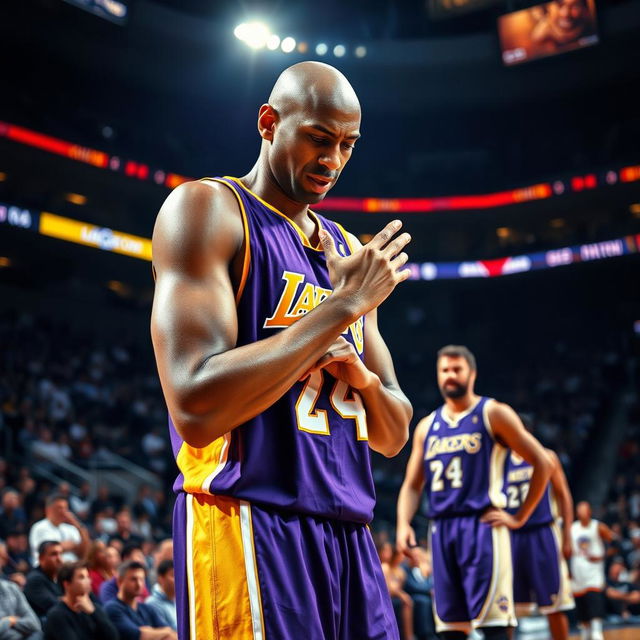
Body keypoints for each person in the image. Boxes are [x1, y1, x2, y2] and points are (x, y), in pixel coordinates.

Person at [151, 61, 413, 640]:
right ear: (269, 122)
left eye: (347, 145)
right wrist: (339, 310)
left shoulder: (347, 251)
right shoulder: (207, 210)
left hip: (350, 535)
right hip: (246, 518)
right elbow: (195, 407)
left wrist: (363, 378)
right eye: (319, 138)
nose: (333, 160)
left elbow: (394, 435)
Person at [396, 345, 554, 640]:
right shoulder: (426, 426)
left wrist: (520, 517)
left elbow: (542, 463)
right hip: (441, 528)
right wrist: (403, 523)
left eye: (457, 369)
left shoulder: (493, 413)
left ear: (472, 373)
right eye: (444, 370)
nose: (450, 376)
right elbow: (412, 485)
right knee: (451, 627)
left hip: (482, 526)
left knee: (493, 623)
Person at [505, 438, 575, 639]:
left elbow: (563, 495)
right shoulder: (498, 460)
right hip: (511, 535)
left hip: (543, 533)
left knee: (554, 604)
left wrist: (567, 536)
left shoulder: (547, 456)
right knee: (507, 607)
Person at [571, 501, 615, 640]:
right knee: (581, 603)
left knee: (594, 599)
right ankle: (585, 632)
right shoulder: (573, 528)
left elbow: (615, 543)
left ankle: (597, 631)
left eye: (583, 510)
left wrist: (603, 555)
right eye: (578, 510)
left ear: (589, 512)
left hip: (593, 571)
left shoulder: (598, 527)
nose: (580, 512)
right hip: (577, 569)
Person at [44, 562, 118, 640]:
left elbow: (113, 637)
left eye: (88, 577)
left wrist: (93, 612)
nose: (88, 581)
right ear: (67, 584)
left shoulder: (93, 608)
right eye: (81, 577)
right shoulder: (57, 615)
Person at [104, 561, 177, 640]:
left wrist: (150, 631)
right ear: (120, 581)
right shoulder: (112, 608)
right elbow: (138, 635)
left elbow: (171, 633)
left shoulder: (147, 608)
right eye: (133, 579)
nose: (139, 584)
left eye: (142, 579)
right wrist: (162, 632)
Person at [29, 494, 89, 565]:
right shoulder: (39, 527)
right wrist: (73, 545)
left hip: (71, 569)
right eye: (59, 508)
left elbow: (84, 552)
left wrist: (77, 524)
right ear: (48, 510)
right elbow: (49, 551)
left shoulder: (71, 528)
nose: (63, 512)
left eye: (65, 508)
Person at [0, 541, 42, 640]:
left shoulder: (12, 587)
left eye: (3, 556)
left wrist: (11, 622)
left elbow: (34, 624)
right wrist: (9, 621)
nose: (4, 559)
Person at [23, 542, 63, 620]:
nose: (59, 559)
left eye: (61, 554)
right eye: (54, 554)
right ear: (41, 558)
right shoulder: (34, 580)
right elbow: (55, 606)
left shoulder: (60, 576)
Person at [145, 559, 177, 631]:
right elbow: (168, 633)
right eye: (173, 575)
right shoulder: (152, 603)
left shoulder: (176, 600)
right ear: (161, 578)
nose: (178, 580)